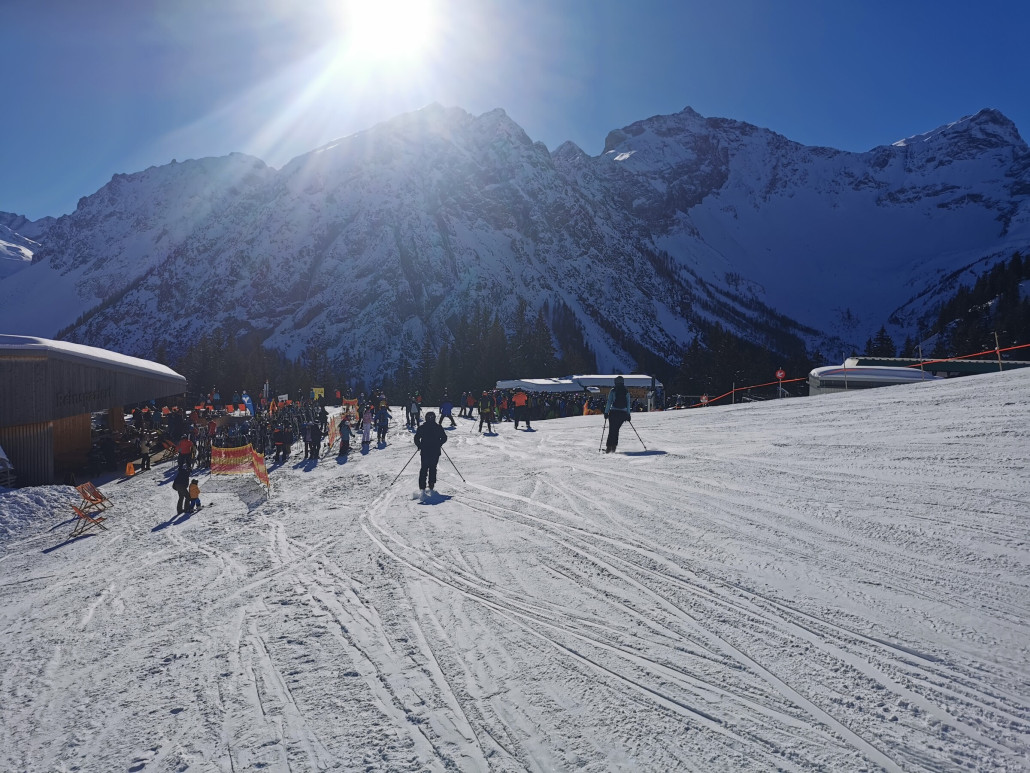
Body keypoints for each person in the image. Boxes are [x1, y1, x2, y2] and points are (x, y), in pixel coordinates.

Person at [413, 412, 448, 501]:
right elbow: (444, 437)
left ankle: (425, 487)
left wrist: (419, 445)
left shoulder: (424, 427)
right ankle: (427, 487)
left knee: (426, 468)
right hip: (432, 450)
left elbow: (417, 438)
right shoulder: (437, 427)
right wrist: (439, 443)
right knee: (430, 468)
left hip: (427, 450)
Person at [603, 376, 632, 453]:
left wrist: (606, 412)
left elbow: (609, 402)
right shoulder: (626, 391)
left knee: (612, 429)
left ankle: (609, 448)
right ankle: (614, 447)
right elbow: (628, 404)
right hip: (623, 414)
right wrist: (628, 414)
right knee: (616, 430)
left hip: (614, 412)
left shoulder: (613, 391)